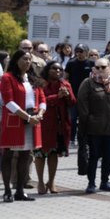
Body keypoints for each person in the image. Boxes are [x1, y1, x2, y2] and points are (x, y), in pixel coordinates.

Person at [75, 58, 110, 194]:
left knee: (109, 155)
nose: (100, 70)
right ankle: (91, 183)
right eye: (97, 67)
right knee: (94, 155)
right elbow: (82, 105)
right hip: (94, 128)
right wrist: (87, 122)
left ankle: (105, 181)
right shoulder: (88, 83)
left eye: (103, 67)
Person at [2, 51, 47, 202]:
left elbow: (42, 98)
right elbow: (9, 102)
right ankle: (8, 190)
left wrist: (40, 113)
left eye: (29, 59)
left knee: (25, 156)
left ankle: (20, 190)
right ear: (16, 61)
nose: (28, 62)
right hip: (15, 121)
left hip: (32, 121)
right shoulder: (7, 78)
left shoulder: (33, 79)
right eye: (24, 59)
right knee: (8, 155)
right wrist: (28, 117)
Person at [33, 61, 74, 194]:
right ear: (47, 69)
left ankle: (51, 181)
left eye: (60, 69)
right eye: (54, 68)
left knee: (54, 153)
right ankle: (40, 181)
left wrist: (67, 95)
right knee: (40, 154)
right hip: (43, 124)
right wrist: (58, 96)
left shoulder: (65, 84)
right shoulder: (40, 83)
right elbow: (40, 101)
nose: (57, 71)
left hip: (59, 125)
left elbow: (73, 102)